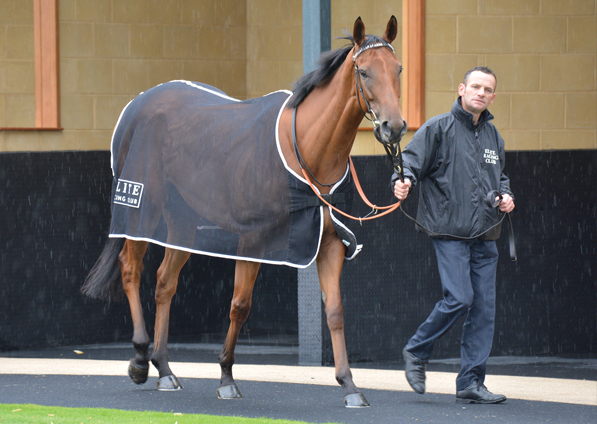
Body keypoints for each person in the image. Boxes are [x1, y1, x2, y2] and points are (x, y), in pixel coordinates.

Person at [393, 66, 515, 404]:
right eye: (475, 86)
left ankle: (470, 383)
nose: (481, 93)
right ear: (461, 89)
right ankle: (417, 350)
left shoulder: (493, 137)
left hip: (487, 234)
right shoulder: (437, 128)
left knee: (484, 310)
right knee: (459, 298)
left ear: (493, 96)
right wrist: (401, 182)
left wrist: (506, 196)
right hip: (448, 231)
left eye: (487, 89)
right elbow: (409, 164)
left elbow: (499, 177)